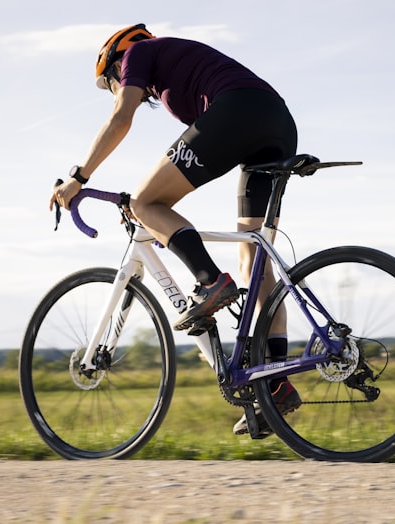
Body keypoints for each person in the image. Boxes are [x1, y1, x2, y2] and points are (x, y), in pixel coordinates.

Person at [49, 23, 301, 437]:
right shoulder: (175, 70)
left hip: (238, 111)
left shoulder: (138, 55)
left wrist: (78, 177)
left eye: (111, 82)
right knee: (254, 260)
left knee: (146, 202)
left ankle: (209, 282)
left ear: (117, 62)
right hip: (275, 121)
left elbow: (120, 119)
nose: (116, 89)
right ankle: (275, 382)